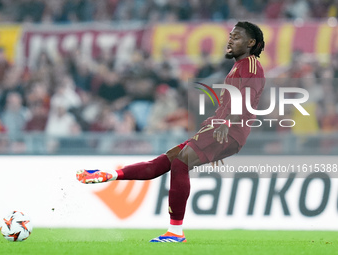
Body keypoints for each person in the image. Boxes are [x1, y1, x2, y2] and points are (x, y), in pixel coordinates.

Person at [76, 21, 265, 243]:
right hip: (216, 129)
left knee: (180, 163)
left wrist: (226, 127)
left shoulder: (251, 65)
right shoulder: (238, 66)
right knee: (165, 161)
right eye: (230, 35)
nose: (230, 39)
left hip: (226, 129)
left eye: (237, 36)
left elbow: (245, 101)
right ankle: (111, 175)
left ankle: (175, 231)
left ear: (251, 43)